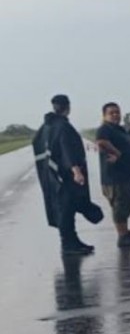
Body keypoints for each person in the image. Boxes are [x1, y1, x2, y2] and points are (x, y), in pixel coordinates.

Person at [32, 94, 103, 255]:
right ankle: (68, 244)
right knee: (66, 209)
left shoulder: (46, 127)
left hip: (51, 175)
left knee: (65, 208)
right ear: (68, 107)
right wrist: (76, 171)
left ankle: (72, 241)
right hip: (65, 176)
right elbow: (66, 149)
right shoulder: (62, 126)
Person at [95, 102, 130, 248]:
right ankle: (122, 236)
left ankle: (126, 232)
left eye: (117, 112)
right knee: (120, 206)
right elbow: (101, 142)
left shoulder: (119, 129)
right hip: (115, 177)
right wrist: (117, 153)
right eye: (111, 113)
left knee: (125, 205)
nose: (115, 115)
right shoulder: (104, 129)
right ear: (104, 115)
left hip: (125, 175)